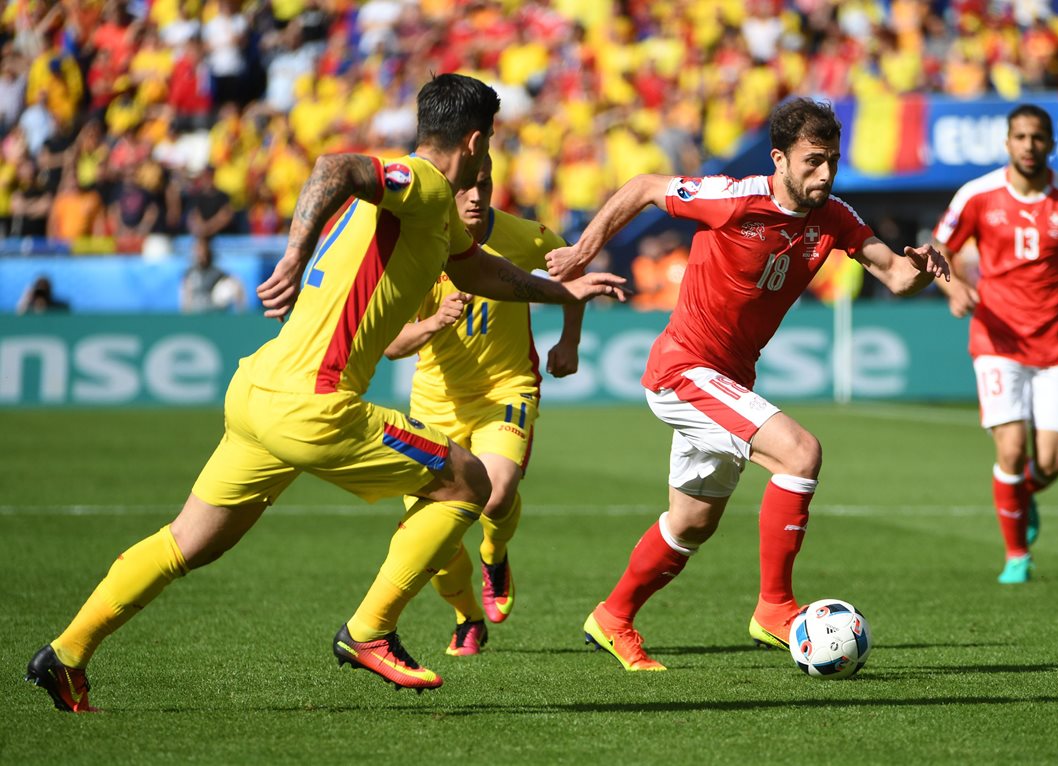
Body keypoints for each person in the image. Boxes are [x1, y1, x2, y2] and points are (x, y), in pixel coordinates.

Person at [24, 73, 626, 713]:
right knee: (469, 480)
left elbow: (483, 271)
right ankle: (370, 631)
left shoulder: (434, 219)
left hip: (259, 389)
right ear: (476, 142)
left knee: (187, 542)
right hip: (316, 404)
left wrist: (562, 292)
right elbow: (335, 166)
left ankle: (65, 653)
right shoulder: (421, 183)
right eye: (493, 140)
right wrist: (292, 254)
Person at [545, 97, 949, 671]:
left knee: (691, 524)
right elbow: (641, 186)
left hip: (728, 379)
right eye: (813, 161)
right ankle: (775, 608)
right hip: (683, 370)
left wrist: (924, 267)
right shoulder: (733, 198)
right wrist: (584, 250)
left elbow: (894, 273)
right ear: (780, 158)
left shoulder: (833, 216)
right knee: (800, 453)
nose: (826, 174)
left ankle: (612, 618)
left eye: (832, 160)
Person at [383, 154, 582, 656]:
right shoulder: (415, 245)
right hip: (434, 403)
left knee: (493, 496)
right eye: (464, 188)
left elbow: (573, 277)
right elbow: (390, 343)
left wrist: (569, 343)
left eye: (484, 185)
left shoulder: (526, 236)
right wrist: (433, 323)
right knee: (432, 539)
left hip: (505, 389)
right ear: (442, 193)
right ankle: (467, 617)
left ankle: (495, 552)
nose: (475, 197)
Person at [933, 104, 1058, 585]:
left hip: (1056, 343)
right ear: (1007, 143)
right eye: (1021, 137)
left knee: (1048, 464)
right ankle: (1017, 556)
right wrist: (953, 288)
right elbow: (939, 247)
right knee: (1011, 449)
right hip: (997, 337)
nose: (1029, 145)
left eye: (1038, 137)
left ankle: (1021, 495)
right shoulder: (978, 195)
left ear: (1051, 143)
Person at [180, 235, 246, 313]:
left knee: (233, 284)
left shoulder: (216, 272)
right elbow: (186, 297)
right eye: (198, 250)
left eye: (202, 250)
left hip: (213, 307)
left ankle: (240, 315)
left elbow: (234, 282)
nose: (200, 254)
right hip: (196, 309)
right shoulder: (190, 273)